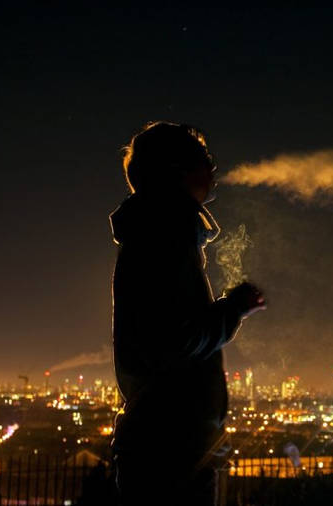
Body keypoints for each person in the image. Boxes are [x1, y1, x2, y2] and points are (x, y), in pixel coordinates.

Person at [109, 121, 266, 505]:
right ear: (178, 171)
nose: (214, 170)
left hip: (161, 445)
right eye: (206, 161)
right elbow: (178, 341)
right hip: (173, 450)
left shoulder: (153, 232)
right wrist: (234, 309)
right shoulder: (166, 237)